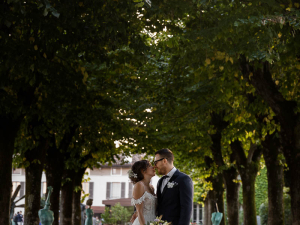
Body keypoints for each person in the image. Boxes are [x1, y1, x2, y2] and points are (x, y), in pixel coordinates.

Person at [130, 148, 193, 225]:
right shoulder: (160, 181)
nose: (154, 166)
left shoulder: (183, 179)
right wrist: (137, 212)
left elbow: (186, 209)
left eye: (156, 162)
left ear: (164, 161)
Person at [129, 160, 156, 225]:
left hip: (153, 221)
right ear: (142, 170)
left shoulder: (151, 187)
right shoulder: (139, 185)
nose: (153, 167)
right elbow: (139, 212)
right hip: (143, 222)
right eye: (149, 166)